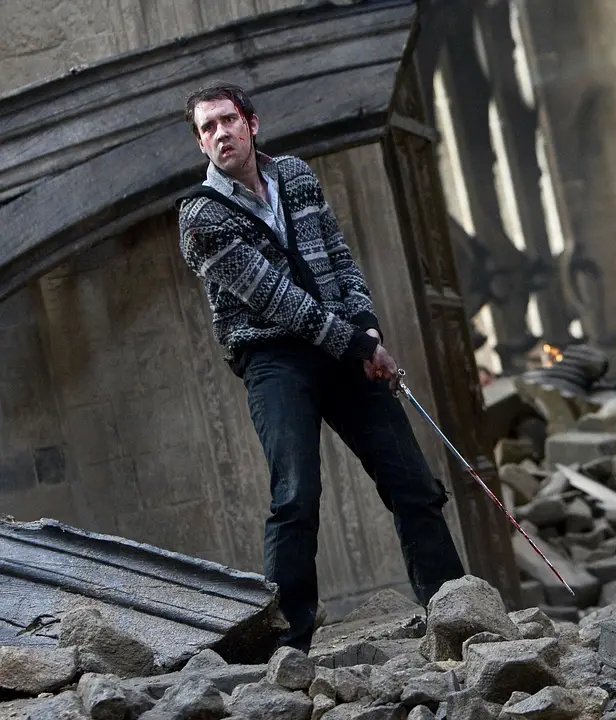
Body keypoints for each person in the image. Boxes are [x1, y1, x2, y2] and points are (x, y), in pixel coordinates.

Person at [176, 83, 464, 651]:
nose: (220, 134)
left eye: (228, 120)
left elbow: (339, 257)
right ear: (200, 143)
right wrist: (358, 346)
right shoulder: (200, 216)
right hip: (274, 358)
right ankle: (287, 646)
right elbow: (275, 300)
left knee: (413, 483)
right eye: (207, 128)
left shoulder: (297, 177)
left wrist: (369, 328)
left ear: (252, 123)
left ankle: (455, 611)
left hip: (345, 346)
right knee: (296, 496)